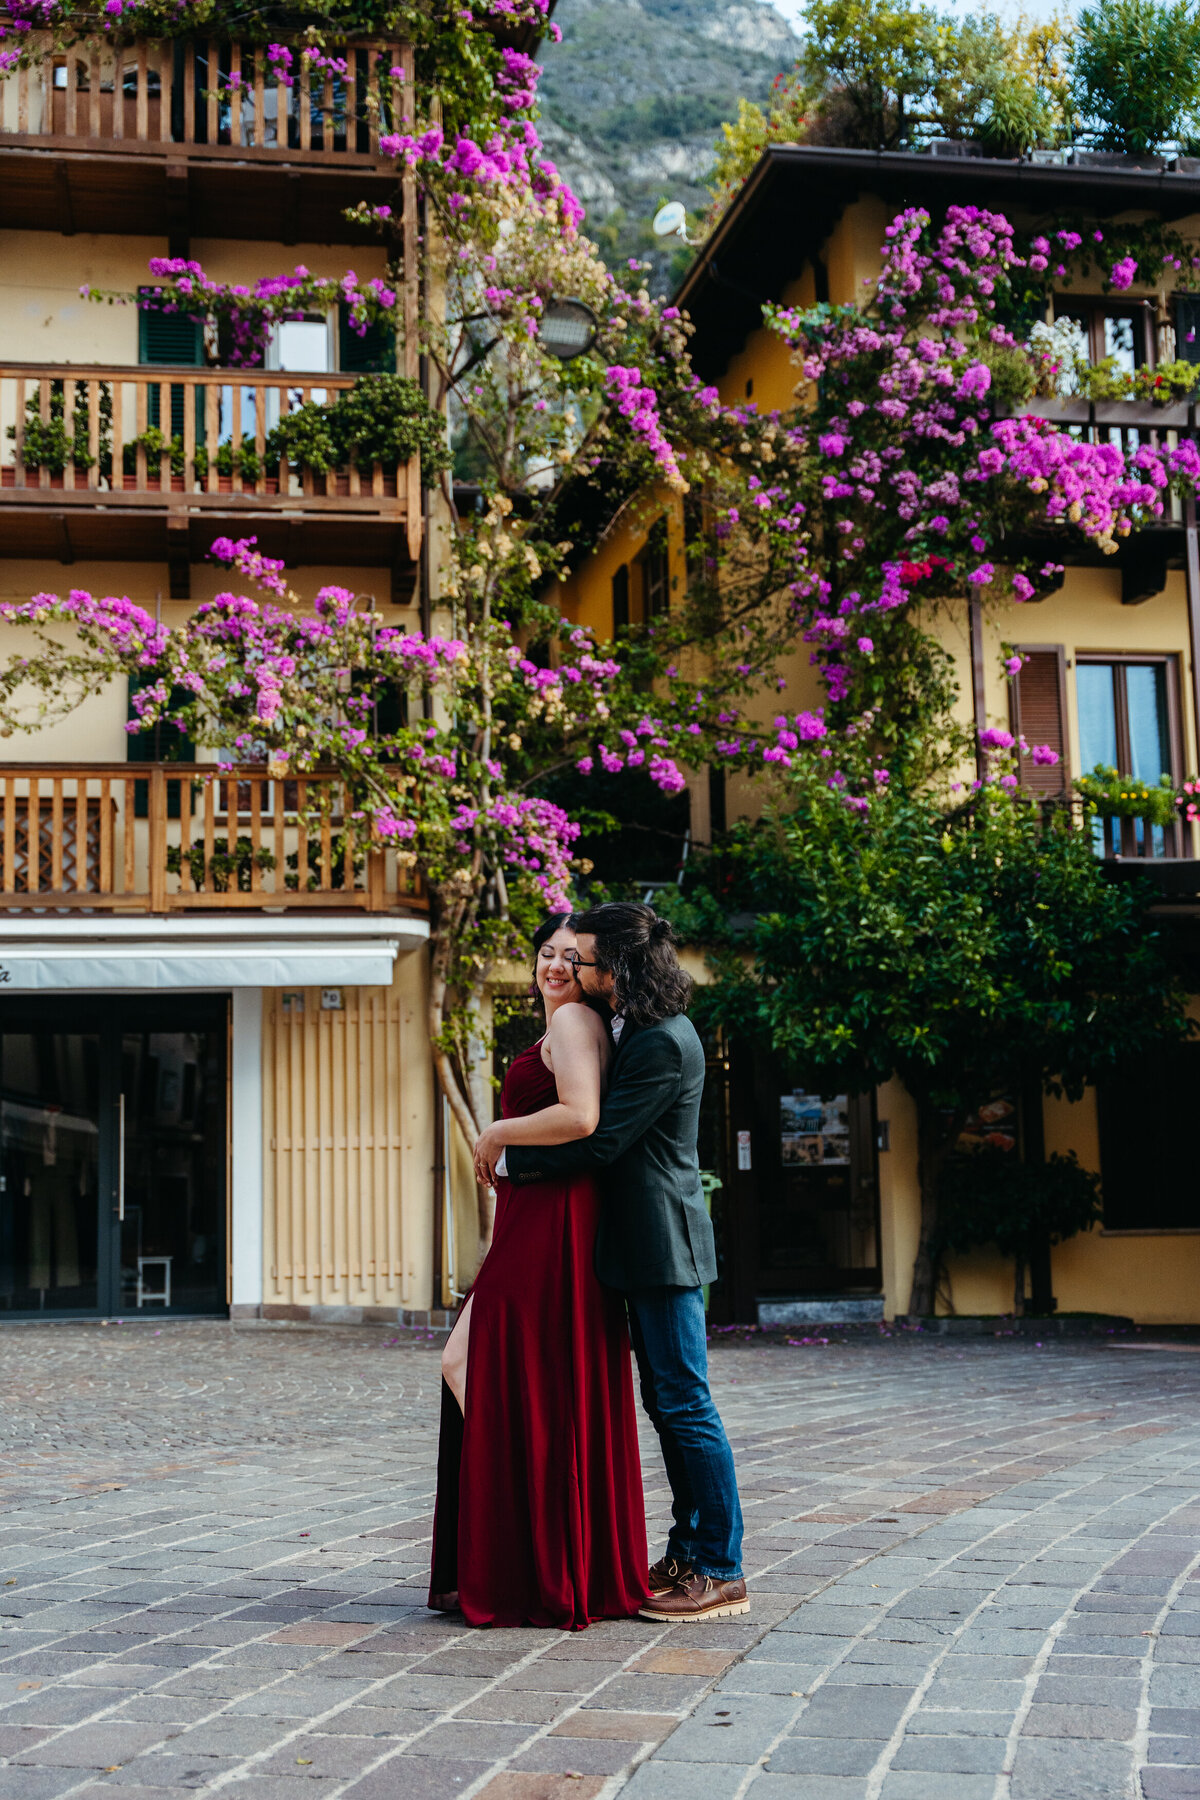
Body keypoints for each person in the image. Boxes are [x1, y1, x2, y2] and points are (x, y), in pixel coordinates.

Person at [474, 900, 748, 1625]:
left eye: (586, 959)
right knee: (666, 1403)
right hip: (637, 1244)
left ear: (618, 967)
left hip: (664, 1245)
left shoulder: (663, 1042)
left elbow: (602, 1141)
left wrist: (509, 1159)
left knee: (686, 1404)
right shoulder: (633, 1029)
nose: (575, 968)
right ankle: (688, 1550)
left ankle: (721, 1566)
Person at [427, 913, 647, 1630]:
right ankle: (527, 1553)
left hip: (554, 1219)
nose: (557, 965)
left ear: (593, 972)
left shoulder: (577, 1023)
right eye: (547, 953)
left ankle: (527, 1559)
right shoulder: (559, 1028)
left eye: (573, 958)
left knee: (475, 1360)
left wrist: (496, 1132)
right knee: (503, 1368)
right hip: (535, 1212)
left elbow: (581, 1116)